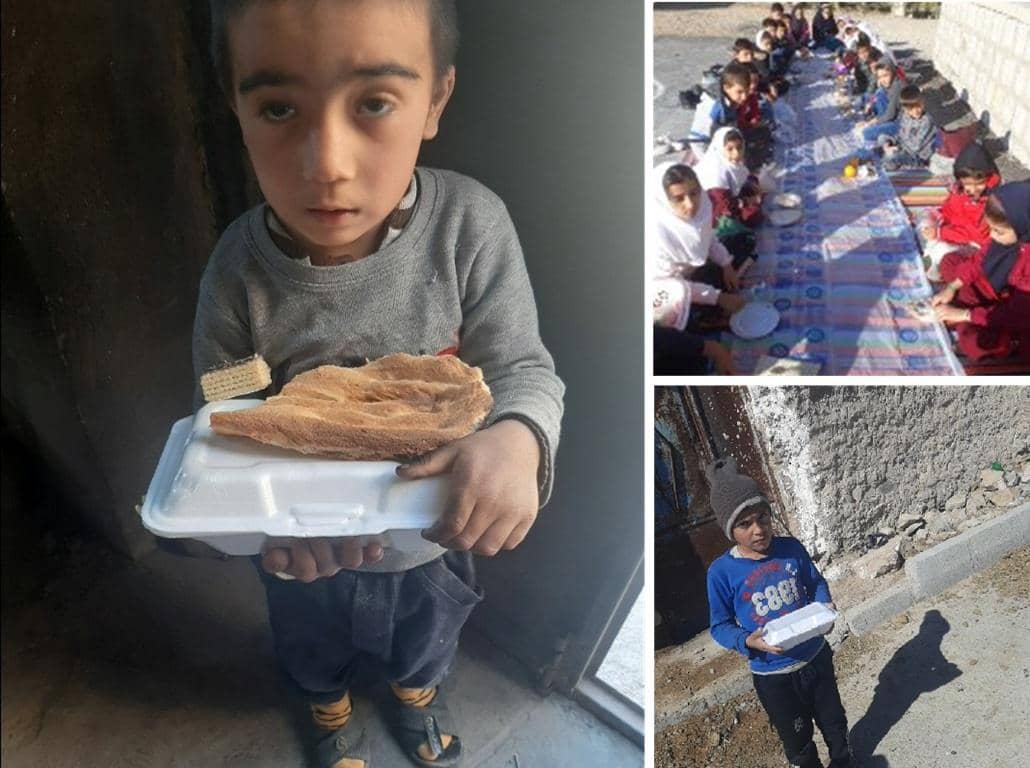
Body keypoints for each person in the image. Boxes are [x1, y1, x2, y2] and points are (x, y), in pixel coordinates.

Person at [194, 2, 566, 766]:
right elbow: (226, 411)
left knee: (427, 640)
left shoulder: (471, 228)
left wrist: (518, 438)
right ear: (234, 105)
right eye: (277, 107)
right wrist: (267, 527)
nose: (326, 162)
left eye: (373, 103)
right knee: (308, 642)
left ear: (435, 100)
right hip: (308, 545)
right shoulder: (237, 275)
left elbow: (522, 368)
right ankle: (328, 713)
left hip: (430, 540)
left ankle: (417, 698)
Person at [705, 458, 853, 768]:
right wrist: (747, 641)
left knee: (834, 722)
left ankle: (843, 761)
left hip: (815, 657)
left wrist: (823, 606)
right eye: (745, 524)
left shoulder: (791, 549)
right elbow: (719, 626)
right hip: (773, 675)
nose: (758, 530)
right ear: (729, 530)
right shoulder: (721, 573)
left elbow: (815, 583)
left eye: (763, 518)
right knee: (797, 740)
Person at [932, 181, 1030, 362]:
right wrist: (952, 287)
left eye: (998, 231)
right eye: (991, 228)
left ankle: (1006, 342)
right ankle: (963, 302)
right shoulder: (1008, 238)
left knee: (977, 344)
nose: (992, 236)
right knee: (950, 260)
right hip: (993, 289)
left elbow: (1016, 314)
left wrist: (964, 315)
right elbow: (980, 259)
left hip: (1015, 314)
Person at [654, 163, 748, 327]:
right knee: (677, 321)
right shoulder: (656, 233)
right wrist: (718, 297)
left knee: (744, 241)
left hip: (692, 272)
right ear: (663, 200)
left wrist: (727, 266)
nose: (690, 204)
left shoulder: (702, 207)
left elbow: (709, 239)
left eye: (694, 193)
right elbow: (669, 286)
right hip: (666, 288)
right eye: (678, 199)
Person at [919, 142, 1002, 279]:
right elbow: (948, 209)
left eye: (979, 184)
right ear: (960, 180)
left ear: (988, 180)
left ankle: (938, 264)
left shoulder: (991, 203)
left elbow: (976, 235)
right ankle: (932, 256)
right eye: (968, 184)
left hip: (973, 245)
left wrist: (941, 232)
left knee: (943, 251)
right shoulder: (959, 193)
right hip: (951, 233)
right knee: (924, 222)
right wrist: (936, 217)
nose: (973, 189)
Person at [695, 127, 765, 229]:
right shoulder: (715, 174)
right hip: (715, 210)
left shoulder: (730, 163)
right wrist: (748, 201)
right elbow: (723, 207)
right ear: (720, 148)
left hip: (729, 197)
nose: (736, 153)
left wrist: (750, 185)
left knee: (752, 182)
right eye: (730, 149)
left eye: (739, 147)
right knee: (753, 215)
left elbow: (742, 175)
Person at [880, 85, 935, 171]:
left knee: (892, 158)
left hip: (917, 157)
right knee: (882, 138)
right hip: (903, 148)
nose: (915, 111)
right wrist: (890, 142)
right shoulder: (906, 116)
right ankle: (883, 155)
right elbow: (900, 135)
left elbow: (916, 147)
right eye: (910, 109)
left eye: (918, 106)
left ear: (923, 102)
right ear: (905, 109)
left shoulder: (927, 121)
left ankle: (887, 161)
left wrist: (897, 149)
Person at [856, 62, 902, 145]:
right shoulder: (887, 85)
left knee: (866, 133)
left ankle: (891, 137)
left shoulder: (897, 87)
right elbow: (876, 97)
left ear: (893, 73)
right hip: (891, 118)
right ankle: (883, 131)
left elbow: (890, 114)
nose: (883, 79)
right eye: (880, 77)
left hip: (900, 123)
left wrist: (871, 122)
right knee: (879, 94)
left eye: (886, 75)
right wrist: (870, 104)